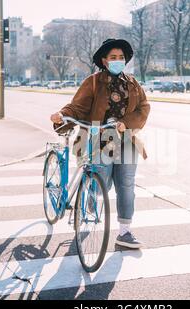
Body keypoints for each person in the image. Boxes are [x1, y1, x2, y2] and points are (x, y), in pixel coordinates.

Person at [50, 39, 150, 250]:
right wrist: (62, 115)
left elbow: (143, 108)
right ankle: (90, 198)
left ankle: (125, 231)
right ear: (104, 61)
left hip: (127, 140)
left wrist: (125, 124)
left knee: (127, 186)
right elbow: (76, 107)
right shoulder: (93, 82)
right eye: (113, 57)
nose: (117, 61)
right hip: (99, 140)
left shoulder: (132, 83)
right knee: (99, 183)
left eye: (121, 57)